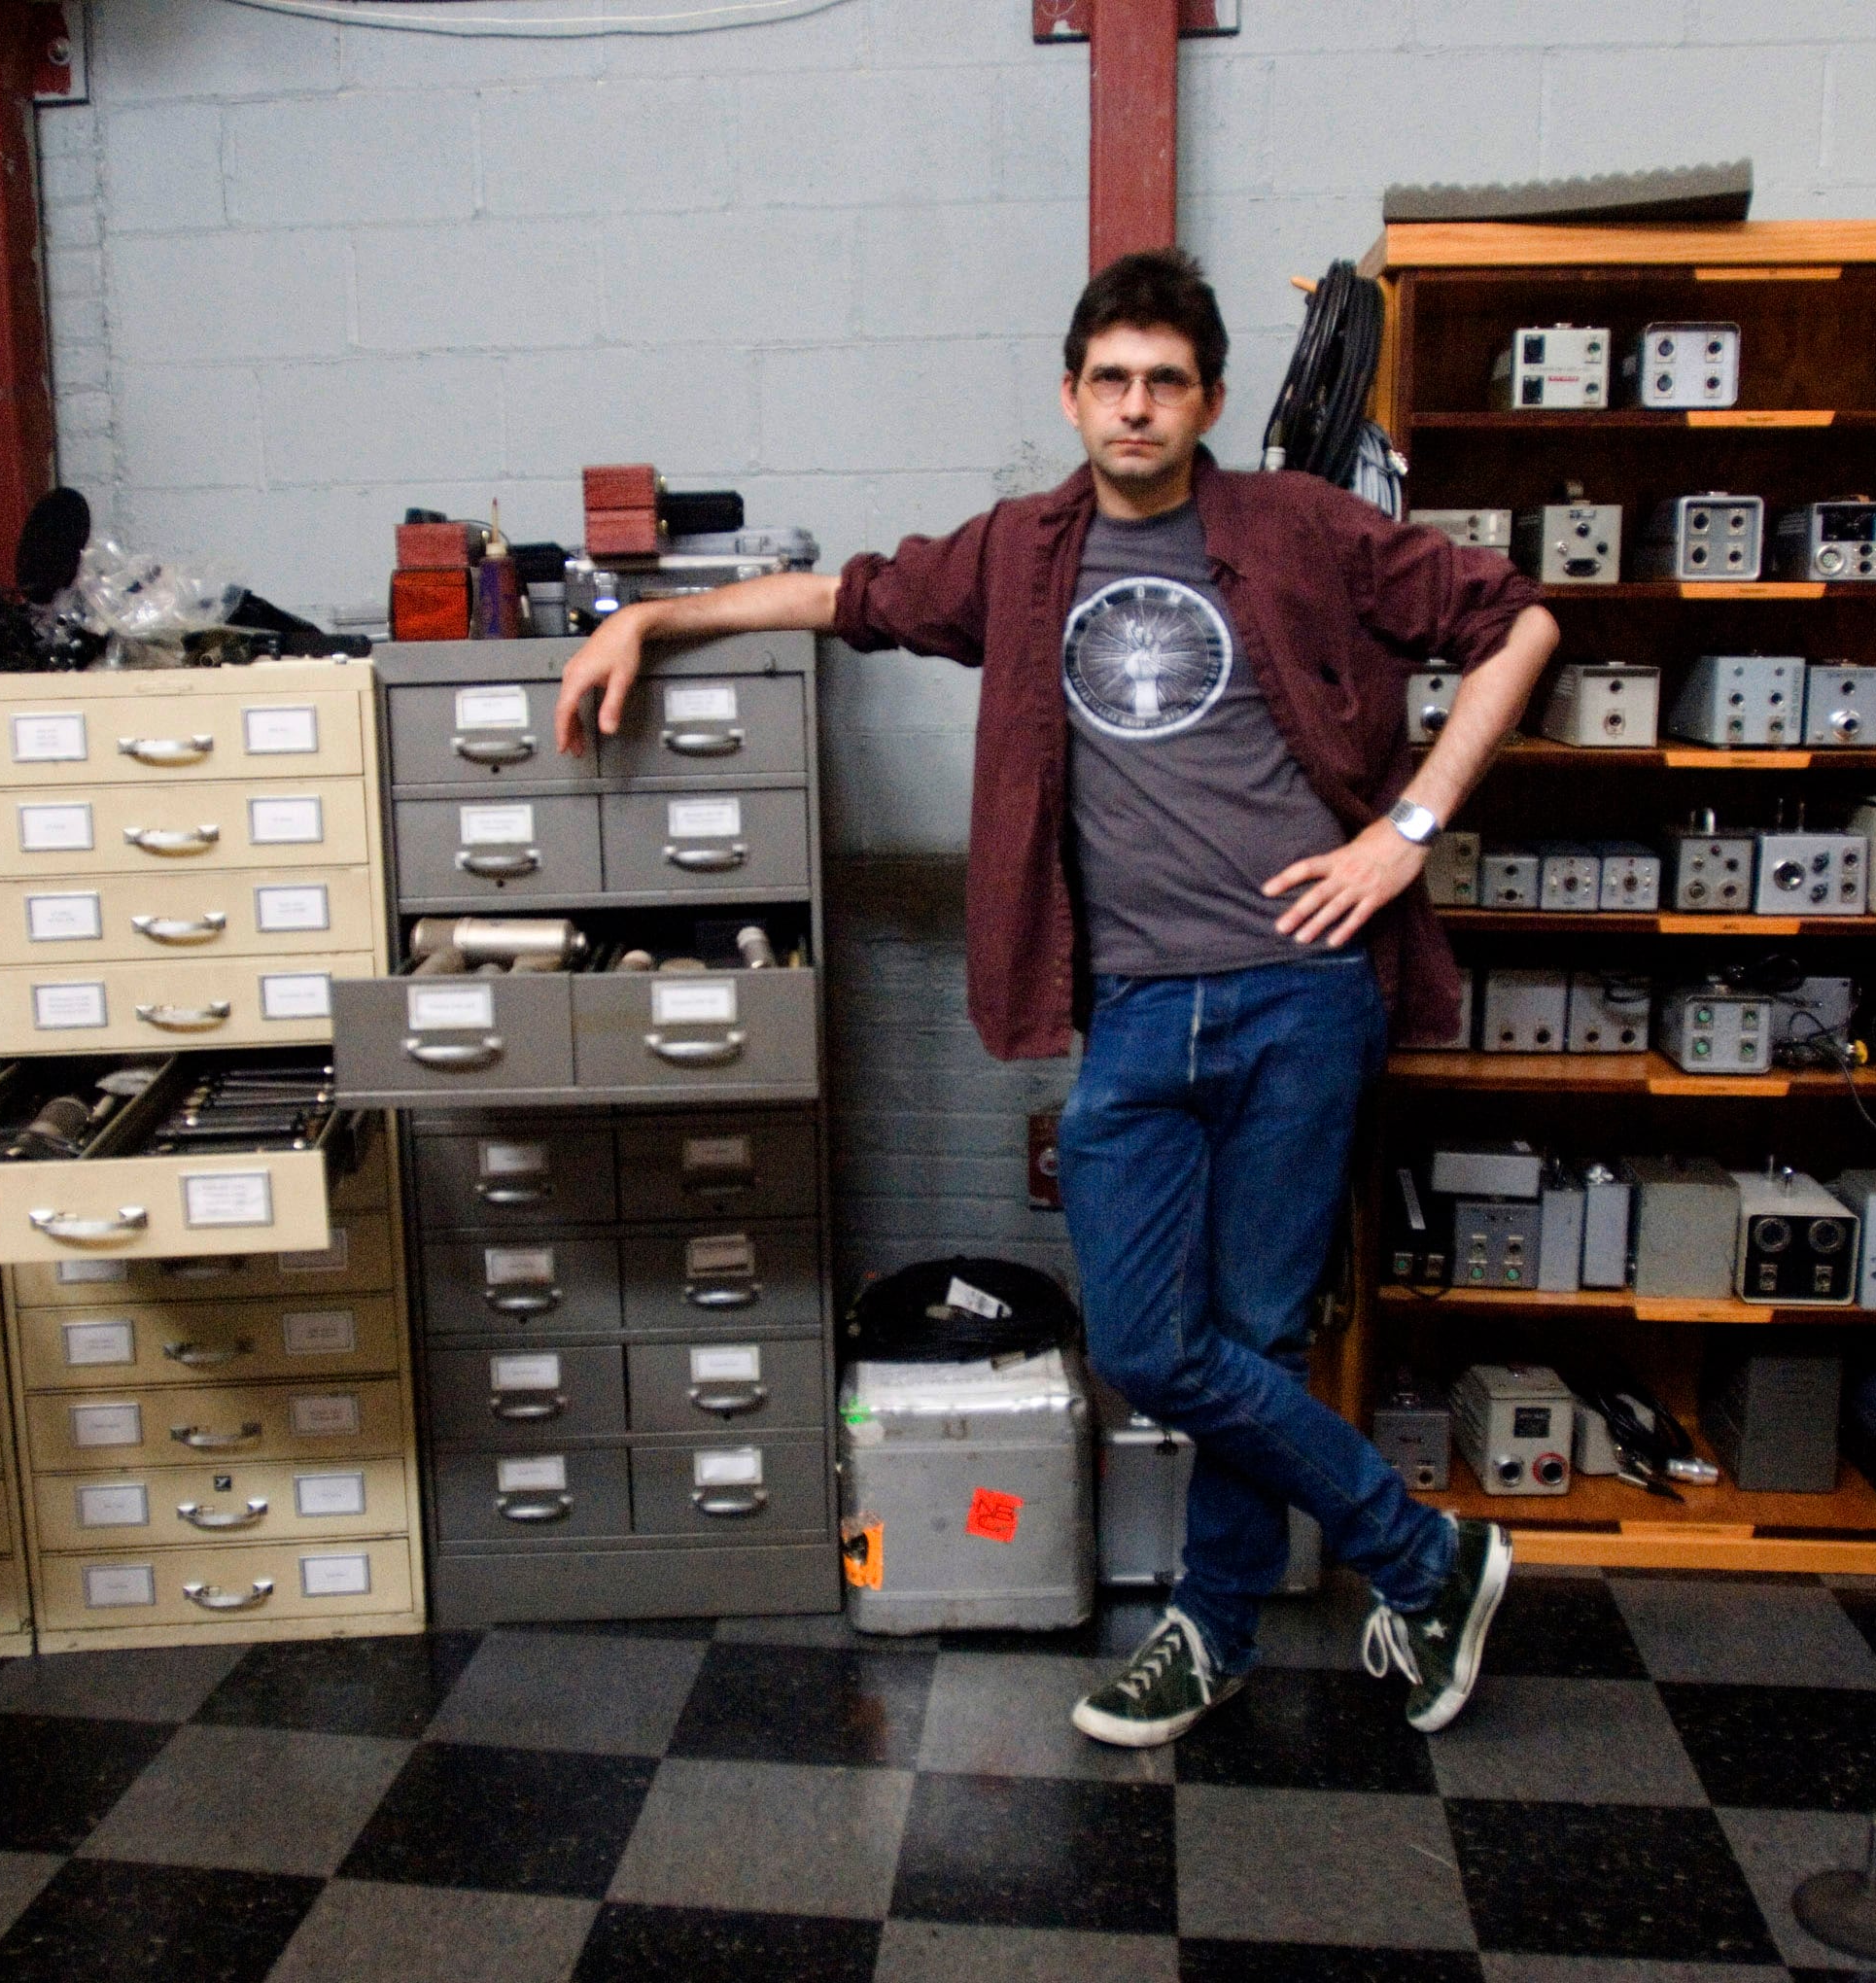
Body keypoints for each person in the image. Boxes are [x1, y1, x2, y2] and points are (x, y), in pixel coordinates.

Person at [551, 248, 1558, 1745]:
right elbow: (846, 595)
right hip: (1139, 1015)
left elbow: (1518, 622)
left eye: (1166, 382)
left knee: (1257, 1342)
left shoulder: (1300, 526)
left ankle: (1210, 1633)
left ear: (1209, 399)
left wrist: (1404, 832)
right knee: (1151, 1346)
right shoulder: (1019, 553)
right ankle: (1424, 1555)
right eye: (1112, 380)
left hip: (1301, 994)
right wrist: (653, 620)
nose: (1137, 406)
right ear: (1072, 395)